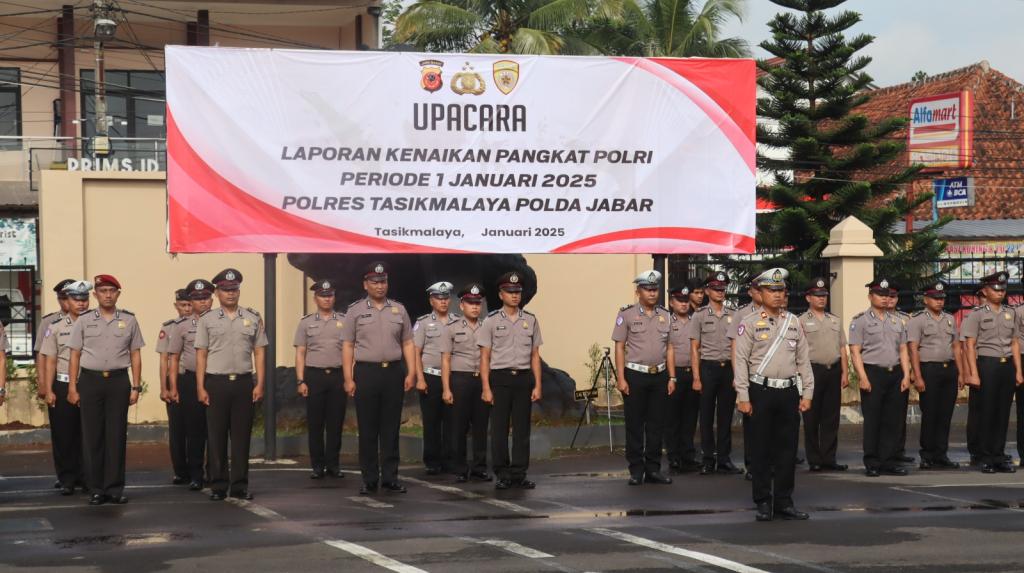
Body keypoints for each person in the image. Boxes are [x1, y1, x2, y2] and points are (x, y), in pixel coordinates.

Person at [734, 268, 813, 521]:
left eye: (781, 290)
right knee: (761, 450)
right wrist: (743, 396)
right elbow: (740, 360)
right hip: (761, 391)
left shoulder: (793, 322)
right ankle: (763, 502)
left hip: (788, 391)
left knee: (787, 450)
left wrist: (808, 392)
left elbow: (803, 360)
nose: (778, 295)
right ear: (760, 292)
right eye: (772, 290)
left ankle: (784, 501)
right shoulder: (748, 323)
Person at [66, 275, 145, 505]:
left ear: (118, 294)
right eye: (103, 291)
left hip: (118, 382)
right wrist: (73, 386)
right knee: (93, 436)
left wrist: (136, 386)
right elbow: (75, 354)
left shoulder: (129, 320)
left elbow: (136, 354)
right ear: (95, 295)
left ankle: (114, 488)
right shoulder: (84, 320)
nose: (107, 295)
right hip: (90, 382)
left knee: (116, 435)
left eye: (112, 291)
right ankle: (96, 489)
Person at [341, 262, 416, 495]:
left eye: (383, 281)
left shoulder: (399, 309)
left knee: (391, 428)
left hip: (393, 372)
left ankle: (391, 477)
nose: (380, 286)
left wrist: (411, 371)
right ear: (365, 284)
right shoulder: (354, 311)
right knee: (368, 428)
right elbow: (348, 345)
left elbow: (407, 342)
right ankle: (370, 478)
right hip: (366, 373)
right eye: (374, 282)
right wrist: (348, 377)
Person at [196, 268, 267, 500]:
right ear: (217, 292)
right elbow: (202, 355)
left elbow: (259, 352)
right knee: (216, 437)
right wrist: (200, 386)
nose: (230, 293)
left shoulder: (252, 317)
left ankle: (239, 486)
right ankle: (218, 486)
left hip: (244, 383)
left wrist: (260, 383)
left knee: (241, 437)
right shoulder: (207, 320)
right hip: (216, 383)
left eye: (234, 289)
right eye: (226, 290)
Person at [479, 271, 543, 490]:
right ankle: (502, 473)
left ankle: (519, 473)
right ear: (501, 294)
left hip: (523, 378)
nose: (515, 296)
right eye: (510, 292)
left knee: (522, 429)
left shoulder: (531, 320)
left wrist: (538, 384)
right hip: (500, 378)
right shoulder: (491, 321)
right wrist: (486, 387)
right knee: (499, 429)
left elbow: (535, 355)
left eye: (517, 292)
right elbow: (485, 357)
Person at [611, 270, 675, 486]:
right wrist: (621, 377)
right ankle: (636, 470)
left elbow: (670, 348)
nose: (652, 293)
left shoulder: (665, 315)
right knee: (635, 425)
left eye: (654, 289)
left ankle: (653, 469)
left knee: (657, 425)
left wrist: (672, 377)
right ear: (637, 291)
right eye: (647, 289)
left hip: (659, 375)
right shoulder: (626, 315)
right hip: (635, 375)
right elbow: (619, 347)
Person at [848, 278, 911, 477]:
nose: (884, 299)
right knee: (874, 419)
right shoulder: (860, 321)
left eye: (887, 295)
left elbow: (903, 349)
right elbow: (855, 352)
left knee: (893, 420)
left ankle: (889, 461)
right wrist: (862, 377)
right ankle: (873, 462)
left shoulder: (897, 321)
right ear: (870, 297)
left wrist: (907, 375)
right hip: (873, 373)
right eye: (880, 295)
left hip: (895, 374)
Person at [960, 271, 1021, 473]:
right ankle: (985, 456)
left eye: (1003, 290)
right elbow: (969, 345)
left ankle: (998, 454)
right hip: (987, 365)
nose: (1000, 293)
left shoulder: (1010, 313)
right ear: (985, 290)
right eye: (996, 289)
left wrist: (1018, 371)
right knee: (986, 412)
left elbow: (1014, 343)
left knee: (1003, 413)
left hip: (1007, 366)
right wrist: (973, 373)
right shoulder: (976, 314)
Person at [40, 280, 90, 495]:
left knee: (88, 434)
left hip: (88, 383)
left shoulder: (95, 324)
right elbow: (49, 359)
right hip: (61, 383)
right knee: (64, 433)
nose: (80, 304)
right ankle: (67, 478)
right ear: (66, 302)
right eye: (75, 300)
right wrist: (48, 388)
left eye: (84, 299)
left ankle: (87, 477)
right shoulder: (55, 327)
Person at [907, 281, 963, 470]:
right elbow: (913, 349)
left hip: (949, 369)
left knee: (945, 414)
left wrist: (961, 372)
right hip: (929, 369)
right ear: (926, 299)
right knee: (930, 413)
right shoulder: (918, 320)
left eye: (942, 298)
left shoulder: (949, 318)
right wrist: (917, 375)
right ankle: (927, 455)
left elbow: (956, 346)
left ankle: (941, 454)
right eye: (935, 298)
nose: (939, 302)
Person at [294, 279, 347, 480]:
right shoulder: (306, 322)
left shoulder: (344, 320)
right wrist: (301, 380)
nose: (327, 299)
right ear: (315, 298)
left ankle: (333, 464)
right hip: (314, 376)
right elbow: (300, 352)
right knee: (315, 423)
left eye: (330, 295)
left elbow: (350, 350)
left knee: (335, 423)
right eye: (323, 296)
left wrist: (349, 377)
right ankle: (317, 465)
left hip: (337, 376)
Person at [690, 271, 740, 475]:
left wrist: (738, 375)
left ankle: (724, 458)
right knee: (707, 416)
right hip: (708, 368)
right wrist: (696, 377)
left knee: (726, 416)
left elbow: (737, 346)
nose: (720, 292)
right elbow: (694, 348)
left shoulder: (733, 314)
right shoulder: (700, 316)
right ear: (708, 291)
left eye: (722, 289)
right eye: (716, 289)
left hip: (728, 367)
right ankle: (708, 458)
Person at [166, 278, 215, 491]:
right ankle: (196, 474)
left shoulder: (221, 321)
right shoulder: (181, 326)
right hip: (190, 380)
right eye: (197, 298)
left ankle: (216, 471)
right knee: (194, 430)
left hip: (216, 379)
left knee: (216, 430)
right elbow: (174, 358)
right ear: (190, 301)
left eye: (205, 297)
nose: (202, 302)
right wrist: (173, 387)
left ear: (212, 300)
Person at [440, 283, 491, 483]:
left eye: (478, 303)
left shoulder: (488, 327)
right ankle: (460, 468)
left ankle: (479, 467)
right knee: (458, 427)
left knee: (480, 426)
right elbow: (445, 359)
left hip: (482, 379)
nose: (475, 307)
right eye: (470, 303)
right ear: (461, 305)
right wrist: (446, 388)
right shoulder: (451, 328)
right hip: (460, 379)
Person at [799, 277, 849, 472]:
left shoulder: (834, 320)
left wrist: (845, 372)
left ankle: (829, 458)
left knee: (831, 417)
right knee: (811, 417)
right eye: (817, 295)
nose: (821, 299)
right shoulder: (801, 321)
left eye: (824, 295)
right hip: (812, 371)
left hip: (833, 370)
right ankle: (814, 459)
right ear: (808, 298)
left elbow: (842, 348)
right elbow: (798, 351)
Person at [413, 281, 455, 475]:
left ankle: (449, 459)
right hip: (430, 376)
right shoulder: (423, 323)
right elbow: (416, 352)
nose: (443, 302)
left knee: (452, 421)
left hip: (453, 378)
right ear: (431, 300)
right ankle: (432, 461)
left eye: (446, 298)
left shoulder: (457, 321)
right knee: (431, 421)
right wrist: (419, 378)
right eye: (439, 298)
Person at [729, 281, 764, 480]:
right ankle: (752, 465)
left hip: (774, 378)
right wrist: (738, 376)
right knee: (752, 422)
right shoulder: (742, 315)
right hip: (751, 375)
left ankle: (770, 463)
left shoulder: (783, 315)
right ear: (751, 291)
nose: (762, 293)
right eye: (758, 289)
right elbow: (736, 348)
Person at [157, 289, 192, 485]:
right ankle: (180, 470)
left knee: (199, 429)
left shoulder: (203, 325)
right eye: (183, 305)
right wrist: (164, 387)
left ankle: (201, 469)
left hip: (196, 380)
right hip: (175, 379)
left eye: (189, 305)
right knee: (177, 429)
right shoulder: (169, 328)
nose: (187, 309)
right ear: (176, 306)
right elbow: (164, 360)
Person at [664, 284, 701, 472]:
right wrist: (672, 377)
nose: (684, 304)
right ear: (672, 302)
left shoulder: (696, 320)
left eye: (686, 301)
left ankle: (688, 455)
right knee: (673, 418)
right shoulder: (667, 322)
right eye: (680, 301)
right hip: (675, 374)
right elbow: (668, 349)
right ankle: (673, 456)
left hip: (693, 374)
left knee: (690, 417)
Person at [887, 293, 915, 464]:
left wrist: (911, 371)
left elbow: (910, 347)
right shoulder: (867, 318)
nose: (889, 299)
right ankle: (883, 451)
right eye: (885, 295)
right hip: (882, 369)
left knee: (899, 414)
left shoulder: (906, 319)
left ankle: (898, 450)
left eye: (893, 296)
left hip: (900, 369)